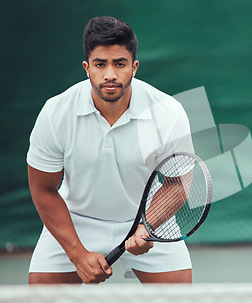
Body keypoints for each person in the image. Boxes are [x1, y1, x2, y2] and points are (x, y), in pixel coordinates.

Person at [27, 16, 194, 284]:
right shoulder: (56, 112)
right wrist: (77, 254)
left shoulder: (167, 111)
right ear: (87, 67)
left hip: (147, 218)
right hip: (76, 220)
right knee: (39, 295)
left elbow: (178, 183)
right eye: (100, 64)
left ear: (134, 67)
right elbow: (42, 189)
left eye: (120, 64)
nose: (110, 75)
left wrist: (147, 228)